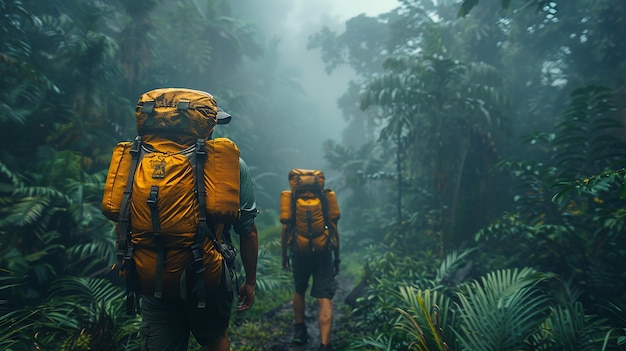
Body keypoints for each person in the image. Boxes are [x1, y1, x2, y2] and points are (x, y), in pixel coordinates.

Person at [137, 108, 259, 351]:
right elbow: (248, 231)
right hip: (208, 274)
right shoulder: (230, 164)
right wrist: (250, 281)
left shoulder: (140, 161)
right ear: (206, 127)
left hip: (155, 273)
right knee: (215, 339)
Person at [281, 202, 340, 351]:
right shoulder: (324, 197)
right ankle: (325, 345)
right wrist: (336, 258)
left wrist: (284, 256)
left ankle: (300, 331)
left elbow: (285, 228)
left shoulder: (293, 197)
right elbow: (333, 228)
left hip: (299, 252)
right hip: (323, 252)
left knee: (299, 289)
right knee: (325, 296)